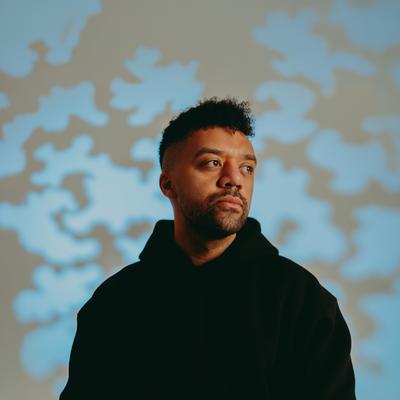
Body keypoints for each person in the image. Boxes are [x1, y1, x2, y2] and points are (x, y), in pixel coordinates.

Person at [60, 98, 356, 399]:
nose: (234, 180)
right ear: (167, 185)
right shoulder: (115, 302)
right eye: (212, 163)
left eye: (247, 168)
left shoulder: (302, 300)